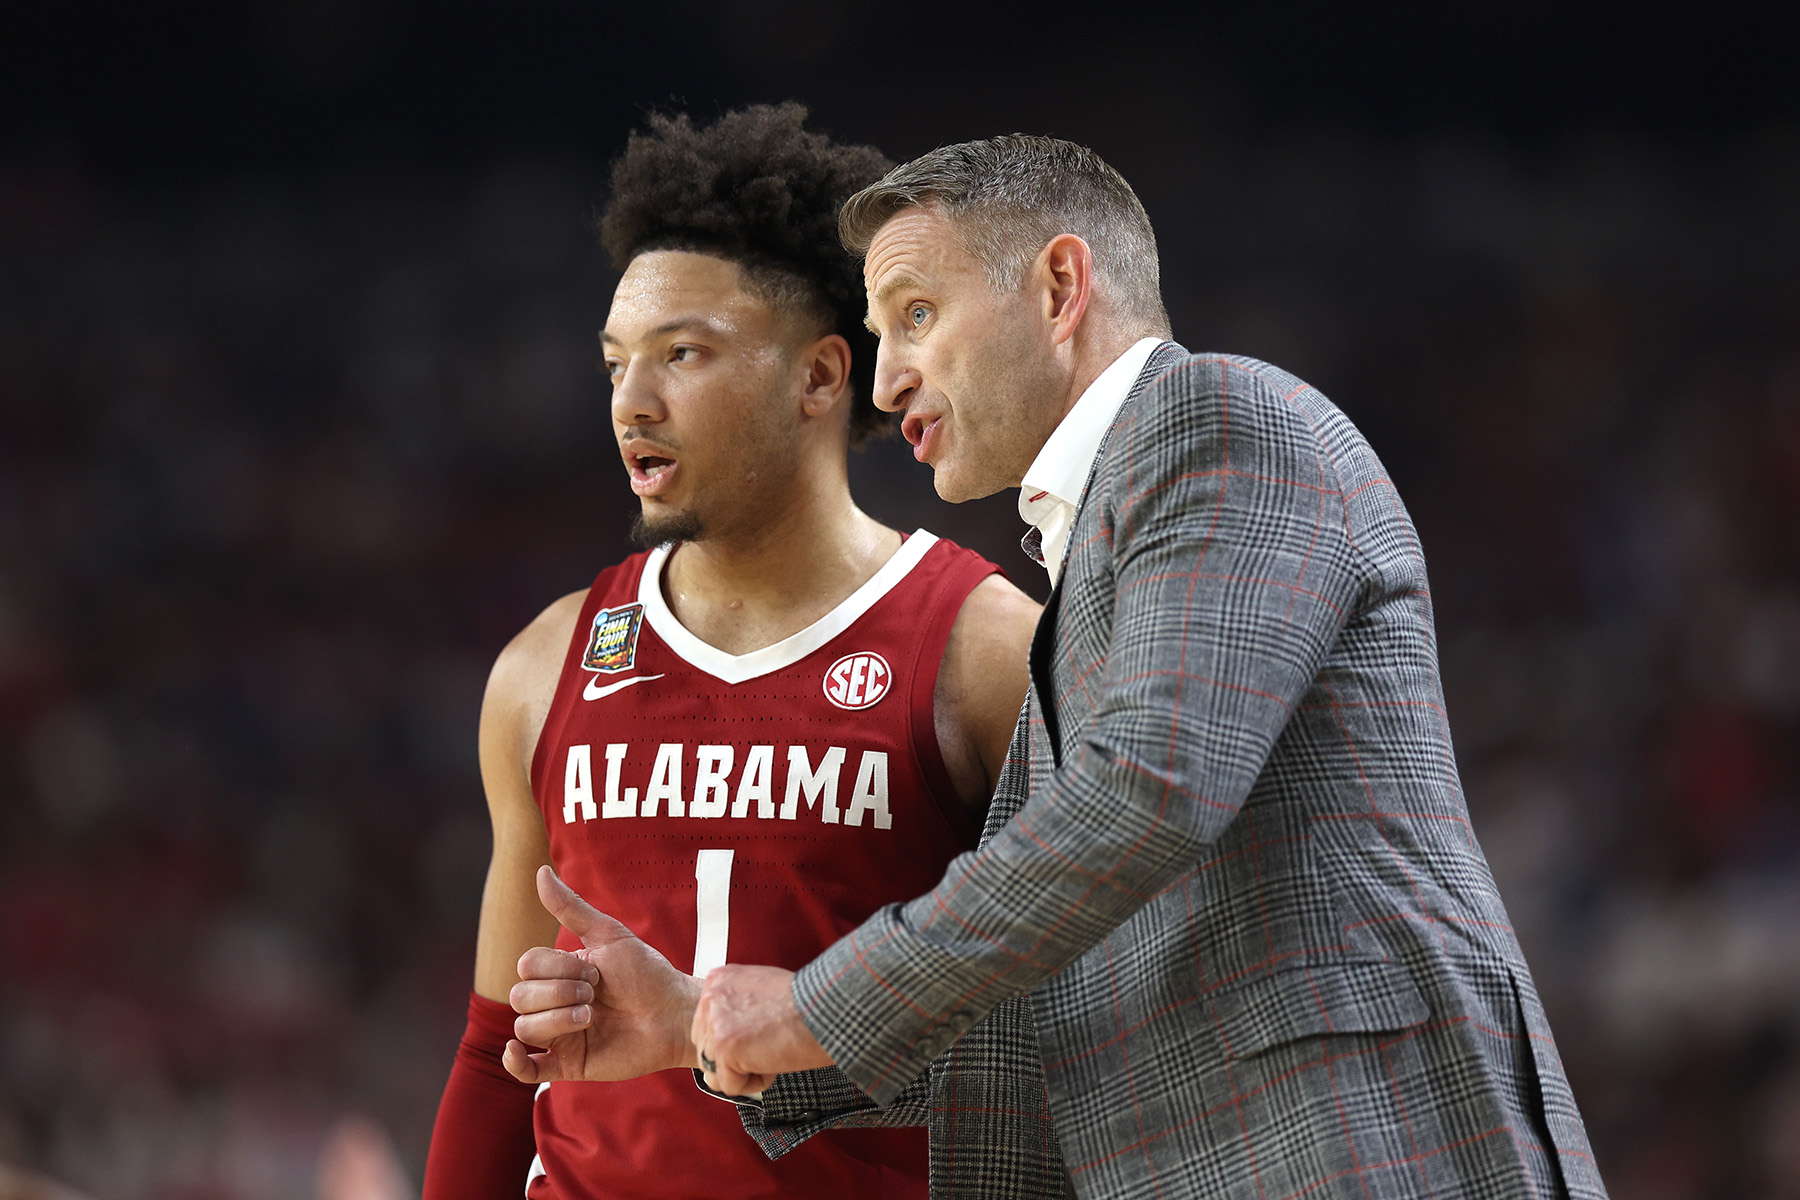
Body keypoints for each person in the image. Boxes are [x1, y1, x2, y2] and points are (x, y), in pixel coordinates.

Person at [524, 134, 1611, 1198]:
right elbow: (1056, 1025)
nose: (889, 377)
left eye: (916, 315)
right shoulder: (1088, 576)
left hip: (1359, 1151)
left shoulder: (1218, 421)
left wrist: (813, 1007)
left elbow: (1148, 793)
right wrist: (704, 1030)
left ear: (1058, 287)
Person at [420, 107, 1044, 1200]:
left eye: (684, 354)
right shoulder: (543, 669)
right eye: (616, 363)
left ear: (817, 377)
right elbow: (493, 1058)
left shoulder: (987, 652)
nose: (632, 402)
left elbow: (1069, 1050)